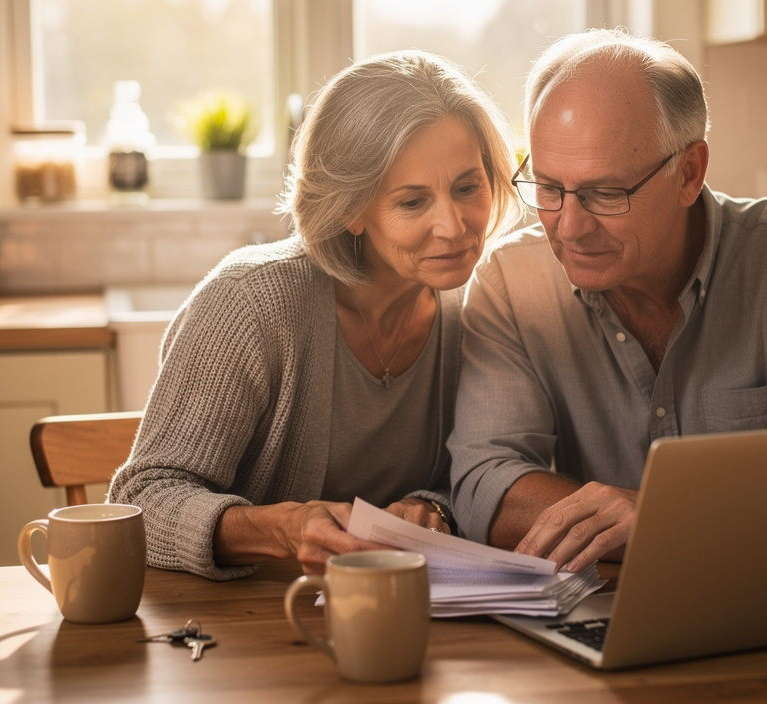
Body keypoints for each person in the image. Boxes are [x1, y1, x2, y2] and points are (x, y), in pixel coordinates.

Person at [448, 30, 767, 573]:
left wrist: (671, 519)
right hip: (608, 610)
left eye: (606, 193)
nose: (570, 226)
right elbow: (485, 483)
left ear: (689, 173)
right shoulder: (511, 280)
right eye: (548, 187)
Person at [109, 51, 519, 579]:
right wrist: (278, 529)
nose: (455, 226)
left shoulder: (476, 309)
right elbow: (142, 502)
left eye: (467, 188)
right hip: (238, 628)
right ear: (351, 209)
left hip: (386, 616)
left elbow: (470, 476)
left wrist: (432, 507)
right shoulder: (250, 302)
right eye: (413, 203)